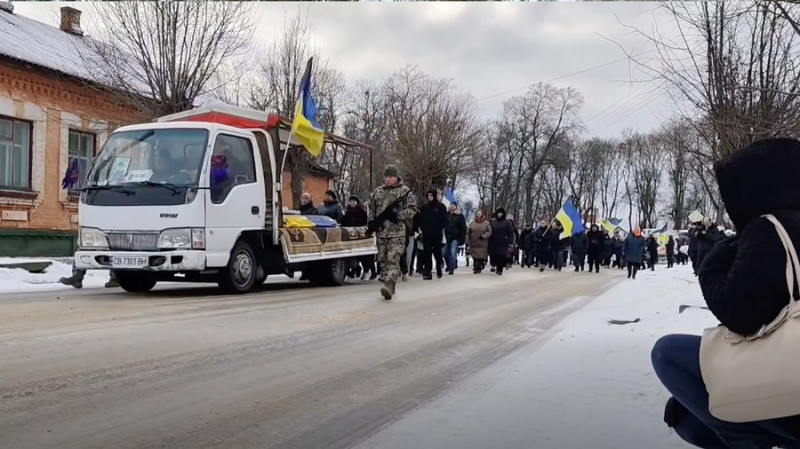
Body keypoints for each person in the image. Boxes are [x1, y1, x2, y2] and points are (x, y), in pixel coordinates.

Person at [651, 137, 800, 448]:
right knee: (687, 416)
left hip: (790, 387)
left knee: (666, 353)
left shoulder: (769, 228)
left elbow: (739, 315)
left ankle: (745, 442)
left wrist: (714, 263)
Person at [58, 155, 118, 289]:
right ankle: (77, 277)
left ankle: (115, 277)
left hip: (113, 214)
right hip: (98, 212)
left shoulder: (116, 176)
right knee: (84, 246)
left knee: (114, 246)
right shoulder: (95, 179)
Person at [368, 165, 417, 300]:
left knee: (393, 260)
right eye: (387, 176)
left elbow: (413, 209)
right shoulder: (378, 192)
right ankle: (390, 283)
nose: (388, 179)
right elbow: (372, 208)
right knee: (382, 260)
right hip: (382, 232)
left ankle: (389, 285)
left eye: (391, 177)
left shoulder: (404, 191)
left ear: (396, 177)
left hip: (397, 232)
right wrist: (372, 222)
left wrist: (399, 215)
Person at [416, 189, 448, 280]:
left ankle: (438, 268)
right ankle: (428, 272)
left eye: (431, 195)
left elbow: (444, 220)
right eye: (428, 196)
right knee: (427, 254)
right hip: (427, 234)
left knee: (437, 253)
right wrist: (421, 229)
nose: (430, 197)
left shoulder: (441, 207)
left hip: (437, 234)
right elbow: (421, 220)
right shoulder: (424, 207)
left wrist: (440, 228)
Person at [341, 195, 374, 280]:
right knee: (349, 256)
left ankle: (367, 271)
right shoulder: (347, 212)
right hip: (349, 237)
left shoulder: (362, 213)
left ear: (357, 202)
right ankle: (352, 270)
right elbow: (343, 223)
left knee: (363, 256)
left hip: (359, 237)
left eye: (354, 201)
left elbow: (363, 223)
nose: (352, 203)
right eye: (351, 201)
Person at [488, 207, 515, 276]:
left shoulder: (507, 222)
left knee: (501, 255)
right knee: (494, 255)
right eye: (498, 213)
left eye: (501, 213)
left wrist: (510, 241)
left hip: (503, 241)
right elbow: (490, 231)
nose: (499, 215)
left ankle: (499, 269)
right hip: (494, 241)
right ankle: (494, 265)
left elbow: (510, 232)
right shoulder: (493, 222)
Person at [444, 202, 467, 275]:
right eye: (451, 205)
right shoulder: (446, 215)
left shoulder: (460, 216)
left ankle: (451, 268)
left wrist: (462, 238)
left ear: (456, 207)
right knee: (444, 252)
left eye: (453, 205)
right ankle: (449, 264)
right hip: (446, 236)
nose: (452, 206)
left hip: (455, 237)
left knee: (453, 252)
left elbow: (463, 228)